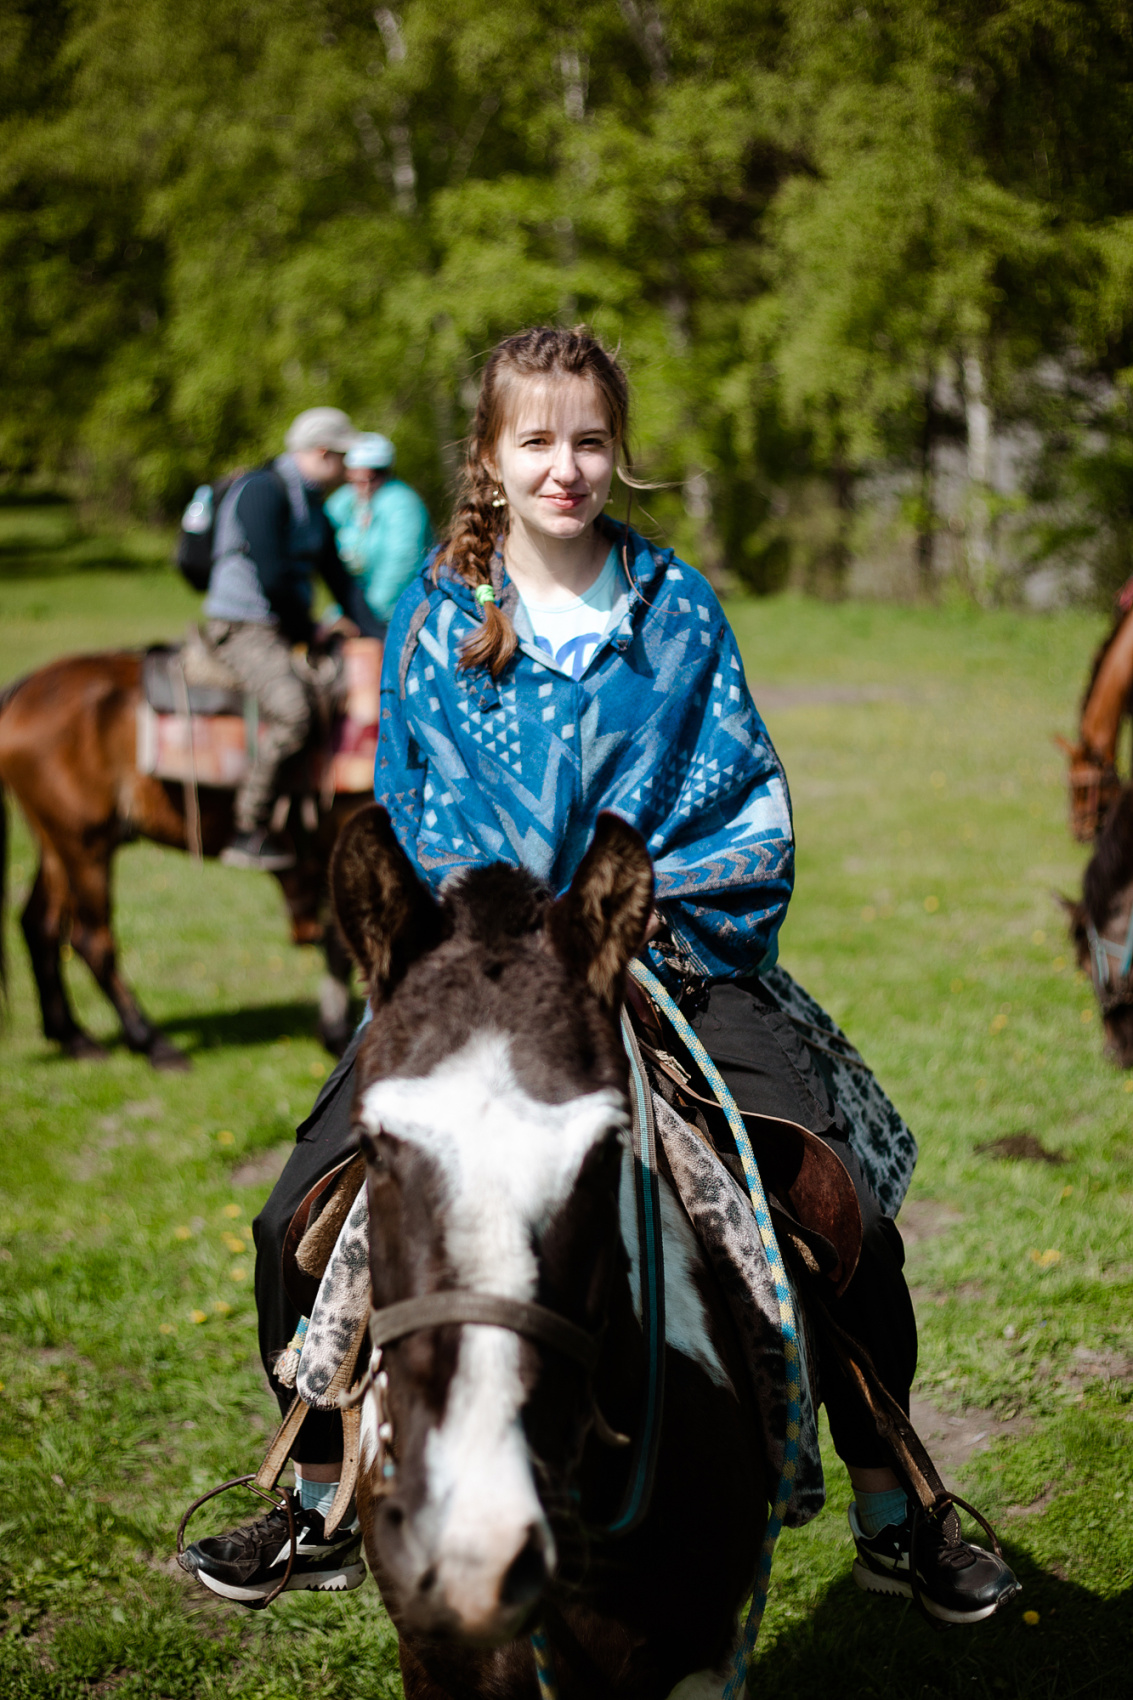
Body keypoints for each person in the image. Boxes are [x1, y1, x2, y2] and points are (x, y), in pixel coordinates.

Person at [181, 329, 1019, 1623]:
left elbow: (742, 799)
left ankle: (894, 1502)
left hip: (664, 949)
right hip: (475, 971)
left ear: (613, 449)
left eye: (585, 440)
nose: (563, 467)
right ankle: (316, 1494)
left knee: (835, 1202)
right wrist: (504, 945)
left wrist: (622, 924)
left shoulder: (678, 608)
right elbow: (414, 805)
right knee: (297, 1217)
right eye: (535, 441)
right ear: (491, 457)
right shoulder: (437, 619)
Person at [203, 407, 386, 873]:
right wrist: (312, 631)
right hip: (243, 628)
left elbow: (341, 582)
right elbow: (273, 577)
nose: (349, 470)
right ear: (323, 453)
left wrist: (382, 637)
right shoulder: (262, 491)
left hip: (283, 626)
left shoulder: (313, 505)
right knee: (294, 712)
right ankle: (250, 827)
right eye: (343, 458)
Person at [323, 432, 433, 630]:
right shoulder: (349, 499)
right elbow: (322, 529)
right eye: (355, 477)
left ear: (385, 472)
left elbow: (400, 564)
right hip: (356, 605)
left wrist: (362, 614)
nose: (362, 484)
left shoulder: (402, 503)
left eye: (371, 476)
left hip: (398, 612)